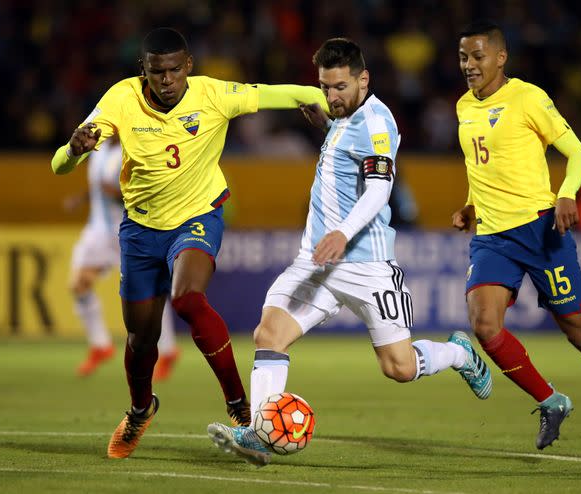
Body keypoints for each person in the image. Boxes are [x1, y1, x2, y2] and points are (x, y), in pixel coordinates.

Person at [207, 38, 493, 467]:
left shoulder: (376, 122)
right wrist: (326, 125)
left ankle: (458, 353)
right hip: (317, 261)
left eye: (340, 87)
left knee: (398, 366)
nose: (332, 96)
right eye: (325, 86)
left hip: (367, 265)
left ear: (364, 79)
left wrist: (342, 232)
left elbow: (379, 188)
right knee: (270, 333)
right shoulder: (341, 117)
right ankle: (259, 433)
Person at [51, 28, 330, 459]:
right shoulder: (121, 99)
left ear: (189, 67)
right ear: (143, 71)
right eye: (157, 72)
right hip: (141, 230)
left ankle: (241, 407)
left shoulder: (214, 94)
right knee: (140, 338)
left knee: (186, 297)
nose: (166, 80)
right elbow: (59, 167)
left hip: (198, 216)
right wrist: (72, 150)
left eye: (174, 70)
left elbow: (284, 92)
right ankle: (141, 410)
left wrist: (330, 100)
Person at [451, 21, 581, 461]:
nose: (469, 65)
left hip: (542, 230)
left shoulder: (528, 98)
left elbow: (579, 154)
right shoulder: (464, 106)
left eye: (478, 57)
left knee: (580, 333)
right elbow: (481, 169)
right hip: (493, 237)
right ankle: (550, 401)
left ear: (501, 58)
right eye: (464, 57)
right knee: (485, 326)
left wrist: (565, 195)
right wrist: (469, 206)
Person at [65, 136, 180, 381]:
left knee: (150, 293)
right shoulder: (98, 149)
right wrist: (83, 198)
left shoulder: (136, 147)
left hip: (130, 229)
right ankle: (100, 345)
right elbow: (99, 185)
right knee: (78, 283)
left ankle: (168, 351)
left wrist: (116, 194)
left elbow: (148, 191)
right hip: (98, 230)